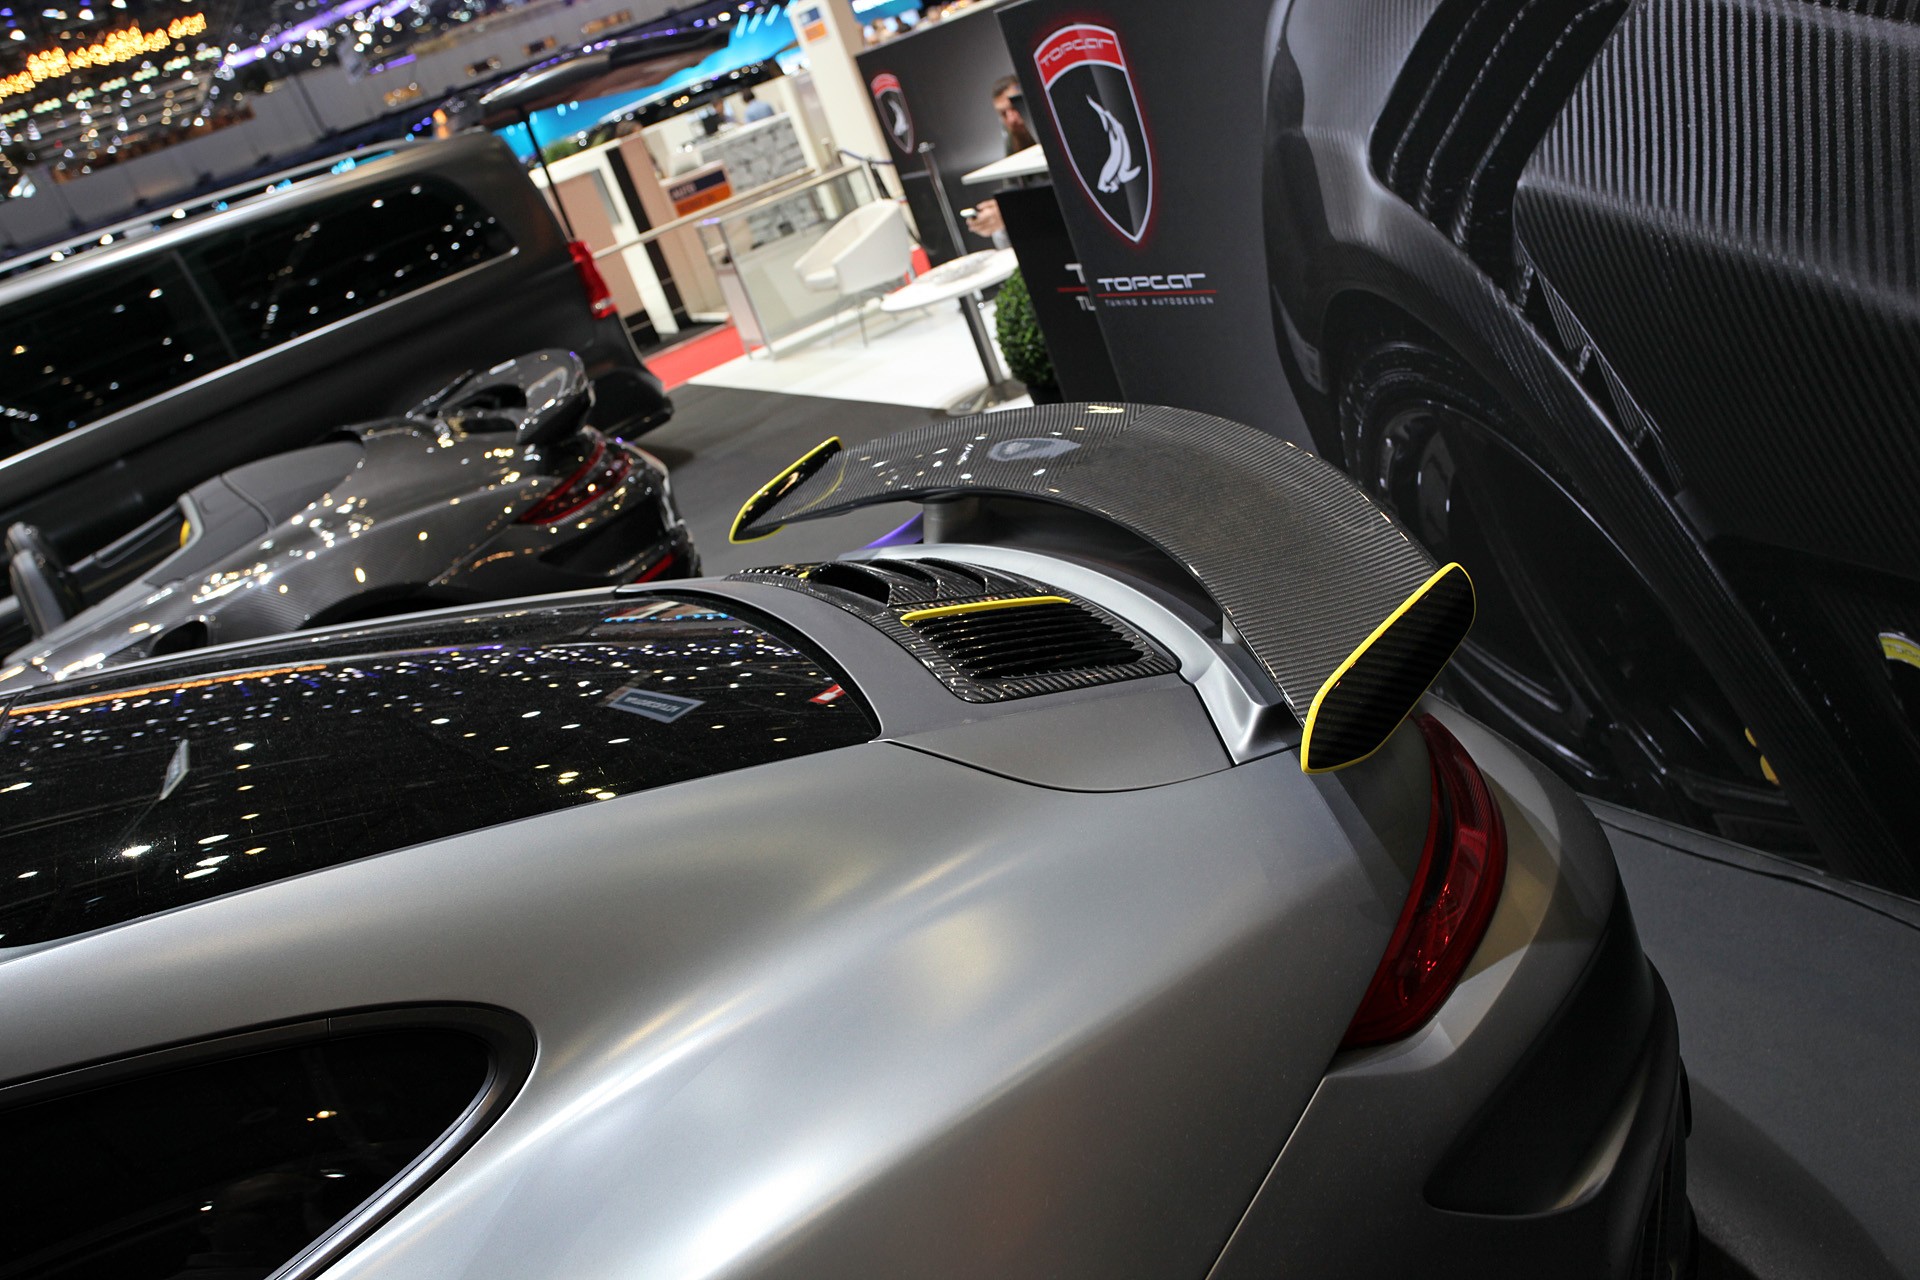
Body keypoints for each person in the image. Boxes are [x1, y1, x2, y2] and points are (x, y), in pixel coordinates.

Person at [965, 75, 1036, 241]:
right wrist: (1001, 212)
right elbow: (1015, 194)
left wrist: (1010, 212)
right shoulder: (1014, 142)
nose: (1011, 119)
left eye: (1015, 107)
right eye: (1003, 113)